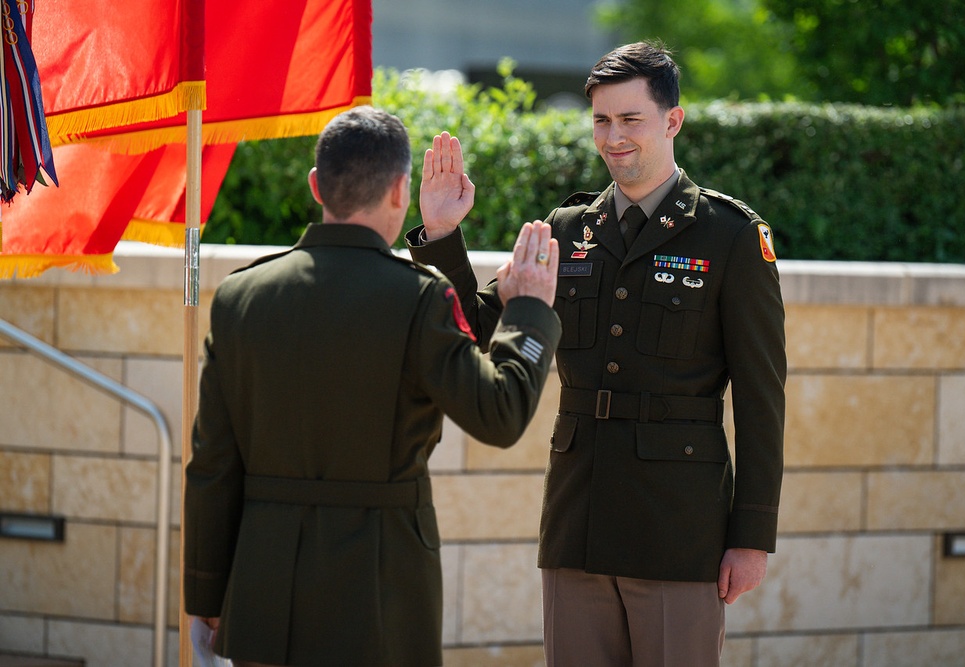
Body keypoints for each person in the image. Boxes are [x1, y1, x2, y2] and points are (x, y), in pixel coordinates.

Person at [407, 41, 786, 666]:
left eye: (630, 119)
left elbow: (760, 396)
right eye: (601, 121)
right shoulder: (565, 232)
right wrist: (444, 235)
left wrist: (752, 538)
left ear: (673, 121)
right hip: (577, 520)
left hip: (678, 531)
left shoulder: (731, 236)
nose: (613, 137)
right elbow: (472, 332)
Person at [183, 105, 562, 667]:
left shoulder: (241, 297)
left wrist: (205, 592)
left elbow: (212, 464)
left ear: (316, 185)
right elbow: (500, 414)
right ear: (399, 192)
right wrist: (528, 310)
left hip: (263, 589)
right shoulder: (417, 298)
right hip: (381, 592)